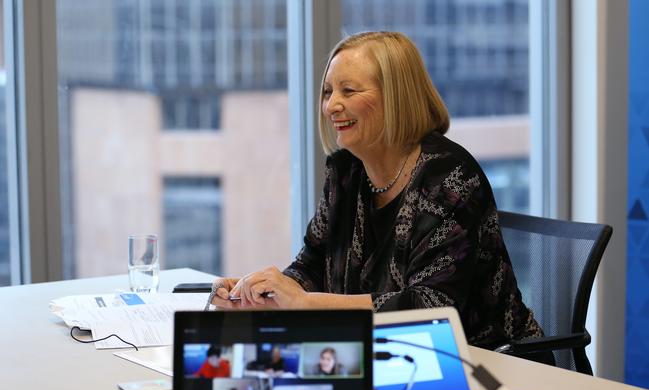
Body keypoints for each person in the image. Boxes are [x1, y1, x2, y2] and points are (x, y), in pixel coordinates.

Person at [210, 31, 545, 354]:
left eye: (349, 90)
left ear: (396, 97)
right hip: (386, 356)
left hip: (484, 364)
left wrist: (304, 302)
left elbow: (431, 307)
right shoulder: (345, 171)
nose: (331, 106)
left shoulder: (449, 177)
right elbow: (312, 267)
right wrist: (262, 296)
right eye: (328, 92)